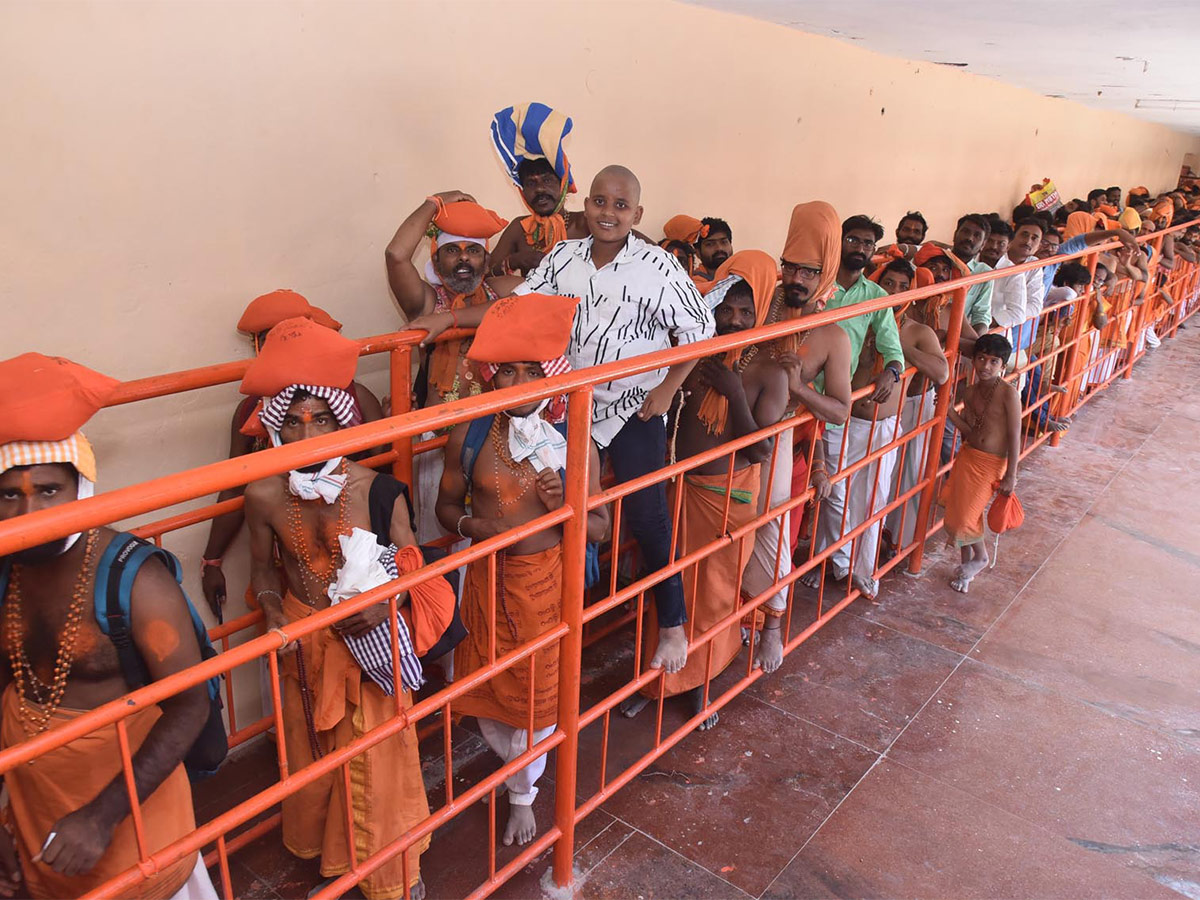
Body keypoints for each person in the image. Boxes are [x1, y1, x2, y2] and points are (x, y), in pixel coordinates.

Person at [241, 318, 455, 900]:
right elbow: (262, 568)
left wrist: (382, 606)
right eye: (293, 420)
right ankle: (331, 858)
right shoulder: (261, 492)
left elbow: (413, 574)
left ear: (344, 424)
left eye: (322, 419)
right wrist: (271, 611)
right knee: (312, 758)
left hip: (371, 647)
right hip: (301, 643)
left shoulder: (376, 489)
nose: (307, 431)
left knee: (380, 762)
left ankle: (393, 873)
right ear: (276, 429)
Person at [0, 353, 217, 900]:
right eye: (9, 496)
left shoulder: (132, 577)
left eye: (49, 491)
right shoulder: (6, 570)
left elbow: (190, 704)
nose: (30, 516)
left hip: (128, 813)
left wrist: (100, 817)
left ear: (81, 491)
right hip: (32, 805)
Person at [514, 164, 715, 675]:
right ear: (587, 206)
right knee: (564, 505)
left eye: (621, 206)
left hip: (633, 404)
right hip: (572, 404)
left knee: (646, 510)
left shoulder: (659, 267)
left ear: (638, 214)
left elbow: (702, 330)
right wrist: (449, 318)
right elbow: (522, 306)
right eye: (600, 202)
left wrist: (668, 388)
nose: (608, 213)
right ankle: (568, 621)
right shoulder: (564, 258)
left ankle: (672, 622)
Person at [436, 293, 608, 848]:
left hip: (545, 583)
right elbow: (445, 508)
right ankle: (515, 766)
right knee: (486, 686)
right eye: (506, 371)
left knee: (537, 692)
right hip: (484, 581)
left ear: (550, 374)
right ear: (490, 377)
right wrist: (474, 530)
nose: (517, 382)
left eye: (531, 371)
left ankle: (523, 793)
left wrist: (569, 508)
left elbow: (601, 527)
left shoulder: (574, 439)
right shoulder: (469, 435)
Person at [623, 249, 788, 722]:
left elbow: (759, 451)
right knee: (666, 583)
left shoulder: (770, 370)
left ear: (762, 311)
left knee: (712, 595)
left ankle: (701, 685)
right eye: (724, 310)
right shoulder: (694, 355)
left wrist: (734, 391)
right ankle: (655, 683)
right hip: (680, 487)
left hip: (727, 495)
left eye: (744, 311)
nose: (732, 321)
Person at [200, 289, 384, 619]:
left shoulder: (355, 399)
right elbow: (233, 485)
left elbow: (384, 482)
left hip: (353, 568)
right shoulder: (248, 414)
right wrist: (212, 559)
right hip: (281, 562)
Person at [384, 193, 523, 544]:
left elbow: (539, 296)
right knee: (442, 541)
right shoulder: (427, 300)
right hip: (438, 440)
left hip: (494, 436)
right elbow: (395, 255)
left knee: (496, 536)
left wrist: (450, 320)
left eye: (473, 250)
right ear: (437, 257)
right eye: (452, 250)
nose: (464, 258)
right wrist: (435, 201)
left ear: (486, 257)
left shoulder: (501, 290)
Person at [742, 202, 851, 628]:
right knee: (722, 533)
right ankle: (723, 624)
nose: (797, 280)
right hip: (731, 433)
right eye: (791, 267)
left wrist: (802, 389)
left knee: (771, 529)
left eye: (809, 271)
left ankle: (771, 621)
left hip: (777, 441)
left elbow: (841, 410)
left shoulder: (832, 336)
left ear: (825, 272)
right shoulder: (758, 307)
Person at [803, 215, 905, 590]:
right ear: (839, 242)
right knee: (814, 495)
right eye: (854, 240)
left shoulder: (876, 298)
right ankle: (823, 561)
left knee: (837, 494)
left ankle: (841, 565)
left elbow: (893, 351)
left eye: (868, 244)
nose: (861, 249)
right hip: (794, 401)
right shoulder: (816, 284)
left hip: (833, 409)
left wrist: (890, 372)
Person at [868, 262, 951, 560]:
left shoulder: (916, 330)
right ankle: (854, 550)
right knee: (862, 489)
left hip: (909, 411)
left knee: (905, 478)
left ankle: (895, 543)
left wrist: (900, 348)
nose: (896, 292)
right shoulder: (864, 317)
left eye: (904, 287)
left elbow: (942, 374)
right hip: (864, 418)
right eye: (889, 283)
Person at [941, 334, 1021, 594]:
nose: (986, 366)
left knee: (966, 515)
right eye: (981, 359)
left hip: (992, 463)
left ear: (1003, 366)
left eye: (994, 362)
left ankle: (981, 558)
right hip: (969, 455)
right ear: (973, 360)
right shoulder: (971, 391)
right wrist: (951, 414)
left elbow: (1014, 435)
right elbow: (970, 432)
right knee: (957, 513)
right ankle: (965, 573)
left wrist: (1011, 475)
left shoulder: (1009, 394)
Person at [488, 102, 586, 276]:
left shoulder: (585, 223)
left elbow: (638, 244)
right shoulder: (519, 228)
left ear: (562, 184)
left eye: (547, 180)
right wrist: (513, 261)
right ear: (522, 190)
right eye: (531, 183)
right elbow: (485, 275)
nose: (540, 189)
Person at [950, 213, 995, 332]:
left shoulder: (984, 273)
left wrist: (978, 343)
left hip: (955, 335)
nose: (969, 238)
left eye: (977, 235)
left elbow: (981, 315)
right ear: (955, 235)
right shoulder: (934, 261)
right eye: (965, 231)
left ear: (983, 245)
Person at [693, 217, 733, 282]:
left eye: (724, 242)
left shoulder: (744, 277)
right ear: (698, 252)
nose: (719, 248)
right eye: (710, 244)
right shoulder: (692, 285)